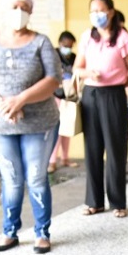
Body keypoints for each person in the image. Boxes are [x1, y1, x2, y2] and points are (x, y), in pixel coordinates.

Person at [0, 0, 62, 255]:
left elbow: (53, 79)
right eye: (14, 6)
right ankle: (10, 230)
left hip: (39, 123)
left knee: (35, 177)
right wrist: (5, 104)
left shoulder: (41, 42)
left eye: (24, 6)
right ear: (4, 9)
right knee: (11, 178)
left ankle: (41, 232)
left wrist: (20, 100)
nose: (19, 12)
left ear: (31, 10)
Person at [73, 0, 128, 218]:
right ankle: (94, 201)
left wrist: (118, 82)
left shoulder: (122, 38)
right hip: (90, 94)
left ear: (111, 12)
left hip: (114, 96)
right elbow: (77, 68)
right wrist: (88, 73)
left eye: (101, 10)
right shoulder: (86, 37)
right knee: (92, 148)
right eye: (93, 11)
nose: (97, 15)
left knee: (115, 149)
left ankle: (118, 202)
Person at [48, 30, 79, 172]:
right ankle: (52, 160)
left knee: (67, 128)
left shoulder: (74, 57)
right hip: (55, 96)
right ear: (60, 43)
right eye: (66, 45)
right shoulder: (53, 55)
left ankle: (65, 158)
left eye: (71, 46)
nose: (68, 48)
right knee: (56, 130)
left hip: (69, 97)